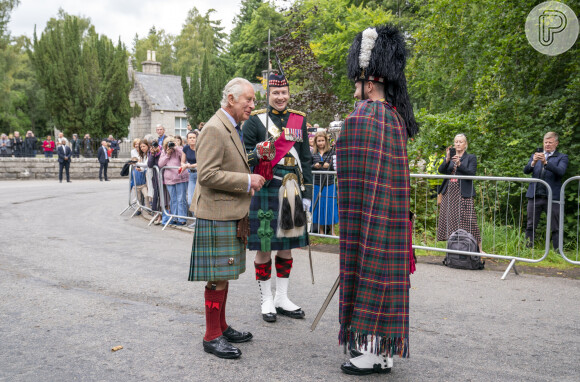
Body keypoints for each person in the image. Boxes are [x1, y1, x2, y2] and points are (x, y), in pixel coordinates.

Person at [337, 25, 419, 375]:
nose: (355, 89)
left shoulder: (364, 116)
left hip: (367, 215)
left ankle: (367, 355)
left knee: (368, 271)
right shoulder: (395, 118)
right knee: (386, 275)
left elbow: (348, 169)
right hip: (391, 215)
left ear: (369, 83)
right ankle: (383, 353)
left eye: (357, 83)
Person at [188, 77, 265, 359]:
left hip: (227, 212)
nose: (252, 105)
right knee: (216, 277)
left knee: (224, 273)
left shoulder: (230, 126)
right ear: (231, 99)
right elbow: (207, 174)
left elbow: (230, 161)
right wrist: (246, 181)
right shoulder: (214, 128)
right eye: (249, 99)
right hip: (217, 213)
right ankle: (211, 336)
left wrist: (255, 156)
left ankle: (220, 326)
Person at [242, 72, 313, 323]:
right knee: (264, 246)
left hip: (292, 185)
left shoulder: (298, 120)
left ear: (288, 93)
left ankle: (282, 297)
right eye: (276, 93)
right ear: (268, 94)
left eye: (284, 93)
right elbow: (245, 157)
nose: (280, 97)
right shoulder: (255, 121)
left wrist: (308, 193)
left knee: (287, 245)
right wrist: (258, 152)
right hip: (266, 186)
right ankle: (266, 299)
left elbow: (306, 158)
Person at [524, 131, 569, 251]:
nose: (547, 145)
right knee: (530, 225)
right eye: (545, 142)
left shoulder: (562, 157)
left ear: (556, 143)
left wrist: (546, 163)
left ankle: (557, 252)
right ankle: (528, 250)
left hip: (552, 196)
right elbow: (526, 171)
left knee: (556, 226)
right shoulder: (536, 155)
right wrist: (533, 162)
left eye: (550, 142)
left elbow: (561, 172)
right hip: (535, 195)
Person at [436, 134, 481, 251]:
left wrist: (459, 165)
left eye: (460, 142)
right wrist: (447, 159)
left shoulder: (471, 157)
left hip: (463, 193)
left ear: (465, 144)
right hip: (449, 193)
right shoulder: (450, 158)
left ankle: (479, 248)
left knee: (470, 220)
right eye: (456, 142)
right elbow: (441, 170)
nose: (458, 144)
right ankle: (453, 248)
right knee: (450, 220)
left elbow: (471, 174)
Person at [311, 131, 338, 235]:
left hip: (329, 183)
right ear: (315, 142)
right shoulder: (312, 153)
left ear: (326, 141)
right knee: (319, 206)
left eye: (322, 140)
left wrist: (329, 166)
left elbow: (336, 166)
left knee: (330, 206)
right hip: (317, 183)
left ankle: (333, 231)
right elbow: (308, 166)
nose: (321, 143)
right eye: (318, 141)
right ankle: (321, 230)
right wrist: (314, 166)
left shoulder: (332, 152)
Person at [159, 136, 189, 225]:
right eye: (168, 144)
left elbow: (185, 159)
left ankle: (182, 219)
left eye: (172, 143)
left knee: (181, 199)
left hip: (181, 178)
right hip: (169, 179)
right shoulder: (164, 152)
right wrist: (168, 154)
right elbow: (160, 164)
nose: (170, 146)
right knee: (173, 199)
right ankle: (174, 218)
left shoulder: (180, 150)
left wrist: (177, 148)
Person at [181, 131, 198, 212]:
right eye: (190, 138)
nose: (192, 139)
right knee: (190, 201)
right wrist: (184, 165)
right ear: (187, 140)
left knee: (199, 200)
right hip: (191, 175)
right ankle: (195, 220)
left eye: (194, 138)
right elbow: (182, 161)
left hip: (200, 175)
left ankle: (199, 221)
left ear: (197, 139)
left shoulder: (200, 147)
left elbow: (201, 161)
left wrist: (189, 165)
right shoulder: (186, 148)